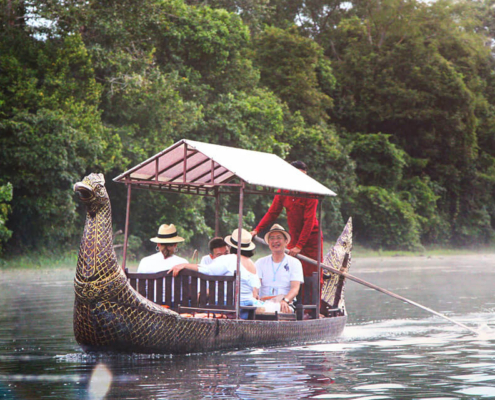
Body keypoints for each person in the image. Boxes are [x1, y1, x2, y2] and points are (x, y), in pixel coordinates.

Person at [251, 160, 323, 278]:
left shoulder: (310, 193)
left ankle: (315, 293)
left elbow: (309, 221)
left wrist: (299, 246)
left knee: (311, 272)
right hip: (294, 236)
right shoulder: (283, 191)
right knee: (290, 270)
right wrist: (257, 230)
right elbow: (272, 213)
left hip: (311, 237)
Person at [169, 229, 262, 319]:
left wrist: (185, 265)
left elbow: (207, 271)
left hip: (226, 308)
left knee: (198, 311)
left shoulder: (229, 259)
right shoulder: (252, 264)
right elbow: (256, 287)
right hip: (245, 309)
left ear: (231, 246)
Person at [255, 224, 304, 314]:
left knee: (281, 310)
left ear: (286, 241)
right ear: (268, 242)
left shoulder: (294, 263)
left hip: (285, 303)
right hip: (264, 302)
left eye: (279, 238)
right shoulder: (260, 262)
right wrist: (255, 296)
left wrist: (285, 300)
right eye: (272, 238)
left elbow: (295, 289)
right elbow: (255, 285)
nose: (275, 241)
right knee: (256, 310)